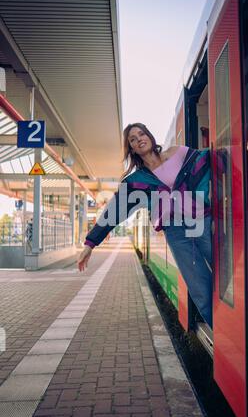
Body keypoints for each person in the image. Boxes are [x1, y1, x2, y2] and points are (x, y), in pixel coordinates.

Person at [77, 123, 212, 327]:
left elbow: (211, 161)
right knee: (200, 290)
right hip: (176, 232)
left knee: (229, 276)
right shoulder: (135, 181)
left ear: (149, 135)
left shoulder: (178, 153)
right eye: (132, 139)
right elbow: (114, 211)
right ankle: (225, 344)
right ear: (131, 148)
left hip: (203, 221)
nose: (139, 139)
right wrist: (90, 244)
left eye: (141, 134)